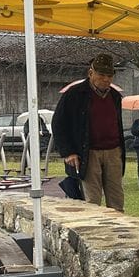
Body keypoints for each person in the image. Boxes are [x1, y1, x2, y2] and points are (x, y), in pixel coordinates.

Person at [52, 53, 126, 211]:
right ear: (91, 73)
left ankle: (118, 233)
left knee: (117, 199)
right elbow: (58, 124)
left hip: (113, 151)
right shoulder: (74, 94)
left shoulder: (115, 96)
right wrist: (68, 152)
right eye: (101, 75)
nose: (106, 79)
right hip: (88, 152)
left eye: (109, 75)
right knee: (92, 200)